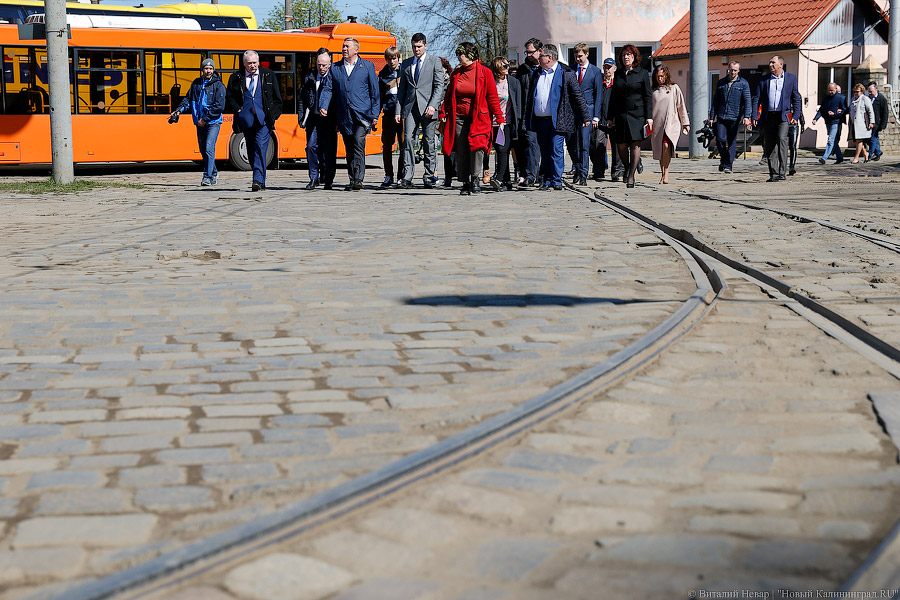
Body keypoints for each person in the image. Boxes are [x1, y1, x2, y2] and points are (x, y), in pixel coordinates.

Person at [439, 42, 504, 195]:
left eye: (460, 55)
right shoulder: (456, 73)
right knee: (461, 150)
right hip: (459, 117)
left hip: (479, 117)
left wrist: (499, 118)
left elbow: (493, 98)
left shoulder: (485, 72)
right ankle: (465, 182)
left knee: (477, 147)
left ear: (469, 55)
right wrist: (443, 112)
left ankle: (475, 178)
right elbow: (449, 96)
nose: (458, 58)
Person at [523, 44, 590, 191]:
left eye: (541, 56)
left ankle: (556, 179)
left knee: (556, 149)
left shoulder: (566, 73)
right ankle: (546, 179)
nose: (538, 58)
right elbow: (530, 98)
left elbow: (578, 96)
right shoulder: (537, 74)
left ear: (550, 57)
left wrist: (586, 117)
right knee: (545, 150)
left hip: (559, 120)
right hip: (540, 120)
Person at [319, 37, 379, 191]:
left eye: (347, 46)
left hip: (362, 114)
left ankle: (359, 179)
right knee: (349, 147)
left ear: (356, 50)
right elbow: (328, 89)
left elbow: (375, 92)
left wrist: (375, 115)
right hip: (344, 115)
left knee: (358, 143)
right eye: (343, 46)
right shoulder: (335, 68)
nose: (344, 49)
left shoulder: (367, 66)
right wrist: (323, 105)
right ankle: (352, 179)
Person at [225, 50, 283, 192]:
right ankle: (260, 179)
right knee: (251, 150)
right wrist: (238, 110)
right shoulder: (236, 77)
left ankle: (257, 180)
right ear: (244, 63)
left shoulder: (268, 75)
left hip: (264, 120)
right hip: (246, 120)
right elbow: (229, 97)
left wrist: (273, 115)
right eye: (249, 63)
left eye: (255, 63)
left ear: (259, 62)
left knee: (260, 147)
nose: (252, 66)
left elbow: (277, 99)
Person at [396, 33, 445, 189]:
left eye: (419, 46)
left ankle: (429, 175)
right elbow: (402, 89)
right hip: (410, 107)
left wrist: (433, 105)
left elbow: (439, 86)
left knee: (429, 141)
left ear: (425, 45)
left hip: (428, 108)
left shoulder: (434, 62)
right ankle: (407, 176)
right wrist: (399, 110)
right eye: (414, 47)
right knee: (408, 140)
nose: (416, 49)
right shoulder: (406, 64)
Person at [172, 58, 226, 187]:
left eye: (211, 68)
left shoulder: (219, 85)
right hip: (200, 122)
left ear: (213, 70)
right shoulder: (196, 84)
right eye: (206, 68)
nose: (208, 71)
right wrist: (178, 110)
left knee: (209, 148)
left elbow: (219, 106)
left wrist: (205, 119)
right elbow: (188, 99)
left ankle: (207, 177)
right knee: (203, 150)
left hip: (213, 122)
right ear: (202, 70)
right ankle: (213, 172)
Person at [607, 44, 652, 188]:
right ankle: (627, 167)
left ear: (635, 57)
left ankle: (631, 175)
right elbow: (613, 97)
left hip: (637, 114)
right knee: (621, 145)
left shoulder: (642, 73)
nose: (626, 57)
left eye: (629, 54)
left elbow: (647, 96)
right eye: (624, 55)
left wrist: (648, 116)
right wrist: (609, 117)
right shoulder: (619, 74)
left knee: (635, 143)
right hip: (621, 115)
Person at [752, 55, 801, 182]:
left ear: (780, 64)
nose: (770, 65)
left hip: (783, 116)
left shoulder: (791, 78)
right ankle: (773, 173)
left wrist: (796, 115)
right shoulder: (764, 80)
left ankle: (782, 171)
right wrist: (754, 115)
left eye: (773, 63)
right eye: (769, 63)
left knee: (781, 140)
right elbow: (757, 98)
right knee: (770, 144)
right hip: (768, 116)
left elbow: (796, 98)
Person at [298, 48, 337, 190]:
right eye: (319, 64)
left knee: (329, 150)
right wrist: (301, 117)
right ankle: (313, 177)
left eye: (324, 65)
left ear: (330, 64)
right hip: (313, 119)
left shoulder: (334, 75)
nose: (321, 68)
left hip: (330, 119)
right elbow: (303, 97)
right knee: (311, 147)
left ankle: (327, 178)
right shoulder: (310, 75)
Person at [570, 43, 603, 186]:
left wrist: (596, 116)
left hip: (587, 111)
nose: (578, 59)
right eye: (576, 56)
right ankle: (576, 166)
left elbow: (598, 94)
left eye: (580, 56)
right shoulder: (571, 70)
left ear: (587, 54)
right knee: (571, 142)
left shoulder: (595, 71)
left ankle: (583, 173)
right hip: (572, 111)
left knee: (584, 142)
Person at [709, 61, 751, 174]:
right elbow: (715, 101)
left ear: (738, 71)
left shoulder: (743, 83)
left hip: (735, 117)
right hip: (722, 116)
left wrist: (747, 117)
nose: (732, 72)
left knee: (732, 142)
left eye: (735, 70)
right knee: (720, 139)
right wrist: (712, 116)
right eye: (731, 70)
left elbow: (747, 102)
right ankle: (723, 159)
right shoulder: (721, 83)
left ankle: (728, 165)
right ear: (728, 69)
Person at [651, 64, 689, 185]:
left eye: (662, 76)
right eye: (658, 76)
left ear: (666, 75)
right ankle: (662, 173)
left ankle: (666, 174)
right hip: (657, 124)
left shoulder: (674, 88)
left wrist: (685, 123)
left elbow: (681, 106)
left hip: (671, 123)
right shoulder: (653, 90)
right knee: (660, 150)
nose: (660, 79)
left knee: (667, 146)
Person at [489, 56, 521, 191]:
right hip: (493, 123)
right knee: (500, 150)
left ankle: (499, 178)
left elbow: (518, 103)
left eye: (508, 65)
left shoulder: (513, 82)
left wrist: (518, 121)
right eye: (504, 66)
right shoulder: (491, 82)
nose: (508, 68)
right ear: (497, 69)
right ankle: (506, 182)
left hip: (507, 122)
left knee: (503, 150)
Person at [516, 38, 542, 187]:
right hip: (528, 114)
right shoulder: (523, 69)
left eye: (531, 52)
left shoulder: (546, 69)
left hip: (545, 114)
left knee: (545, 146)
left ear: (540, 51)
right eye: (527, 52)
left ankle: (543, 175)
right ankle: (530, 175)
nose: (529, 55)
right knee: (531, 144)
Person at [378, 46, 404, 188]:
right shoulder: (382, 74)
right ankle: (389, 175)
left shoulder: (404, 71)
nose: (392, 61)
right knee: (387, 146)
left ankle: (401, 176)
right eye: (389, 58)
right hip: (388, 114)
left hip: (403, 115)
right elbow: (380, 97)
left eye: (394, 58)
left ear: (398, 58)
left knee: (403, 145)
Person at [595, 57, 623, 181]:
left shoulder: (618, 82)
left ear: (615, 68)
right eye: (605, 67)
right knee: (598, 144)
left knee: (616, 147)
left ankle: (617, 171)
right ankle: (599, 170)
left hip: (614, 120)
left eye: (609, 67)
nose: (607, 70)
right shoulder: (599, 82)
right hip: (601, 120)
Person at [811, 82, 846, 165]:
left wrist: (836, 114)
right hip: (828, 121)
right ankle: (840, 157)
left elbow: (845, 110)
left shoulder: (841, 98)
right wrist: (816, 119)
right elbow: (821, 110)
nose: (830, 92)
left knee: (830, 139)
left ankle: (824, 157)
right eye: (829, 90)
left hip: (836, 122)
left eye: (832, 90)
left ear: (835, 89)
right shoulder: (826, 98)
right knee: (834, 140)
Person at [438, 57, 456, 187]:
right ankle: (447, 176)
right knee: (446, 148)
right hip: (438, 115)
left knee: (455, 147)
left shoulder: (451, 80)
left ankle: (456, 172)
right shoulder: (432, 81)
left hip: (450, 115)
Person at [847, 83, 875, 163]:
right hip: (853, 123)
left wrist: (872, 122)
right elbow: (850, 109)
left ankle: (856, 158)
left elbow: (870, 111)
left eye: (857, 92)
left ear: (862, 91)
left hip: (861, 123)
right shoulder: (853, 99)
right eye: (854, 92)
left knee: (859, 140)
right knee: (856, 141)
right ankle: (865, 153)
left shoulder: (865, 99)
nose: (855, 93)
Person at [866, 81, 888, 161]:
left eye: (871, 91)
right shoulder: (868, 98)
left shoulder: (881, 99)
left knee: (873, 139)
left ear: (876, 90)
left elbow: (885, 113)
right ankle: (878, 152)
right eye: (869, 91)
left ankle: (870, 155)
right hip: (868, 122)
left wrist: (883, 125)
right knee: (868, 139)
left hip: (877, 123)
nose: (870, 93)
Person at [787, 108, 805, 175]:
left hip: (794, 125)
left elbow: (800, 112)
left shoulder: (796, 99)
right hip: (784, 124)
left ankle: (792, 166)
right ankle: (781, 166)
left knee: (793, 146)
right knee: (781, 146)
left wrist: (802, 124)